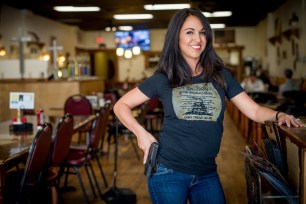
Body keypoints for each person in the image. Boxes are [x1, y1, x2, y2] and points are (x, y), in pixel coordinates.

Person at [113, 8, 302, 204]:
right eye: (189, 32)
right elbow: (121, 105)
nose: (198, 38)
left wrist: (278, 115)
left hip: (207, 174)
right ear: (175, 37)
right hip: (168, 172)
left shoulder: (221, 76)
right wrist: (141, 134)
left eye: (202, 32)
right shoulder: (163, 79)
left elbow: (254, 110)